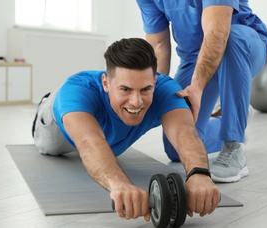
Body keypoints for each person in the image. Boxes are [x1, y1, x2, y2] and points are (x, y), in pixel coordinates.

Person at [32, 38, 220, 221]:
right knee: (49, 148)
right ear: (106, 83)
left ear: (154, 82)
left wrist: (199, 173)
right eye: (125, 89)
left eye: (145, 89)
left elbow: (184, 132)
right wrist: (120, 185)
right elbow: (89, 140)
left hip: (108, 137)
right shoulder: (77, 92)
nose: (136, 101)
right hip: (54, 126)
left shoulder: (165, 90)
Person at [134, 0, 267, 183]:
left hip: (240, 45)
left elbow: (218, 33)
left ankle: (233, 145)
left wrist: (196, 87)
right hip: (193, 58)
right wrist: (149, 91)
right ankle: (234, 120)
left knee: (232, 39)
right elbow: (158, 44)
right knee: (177, 146)